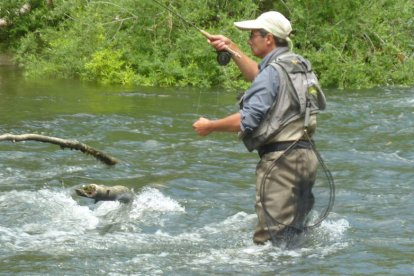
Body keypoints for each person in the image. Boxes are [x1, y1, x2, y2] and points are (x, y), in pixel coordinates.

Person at [192, 11, 326, 245]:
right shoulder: (297, 64)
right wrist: (231, 47)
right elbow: (260, 75)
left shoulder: (274, 72)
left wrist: (210, 126)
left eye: (253, 35)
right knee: (294, 236)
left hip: (282, 164)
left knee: (270, 242)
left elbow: (247, 120)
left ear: (269, 39)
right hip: (305, 157)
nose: (249, 39)